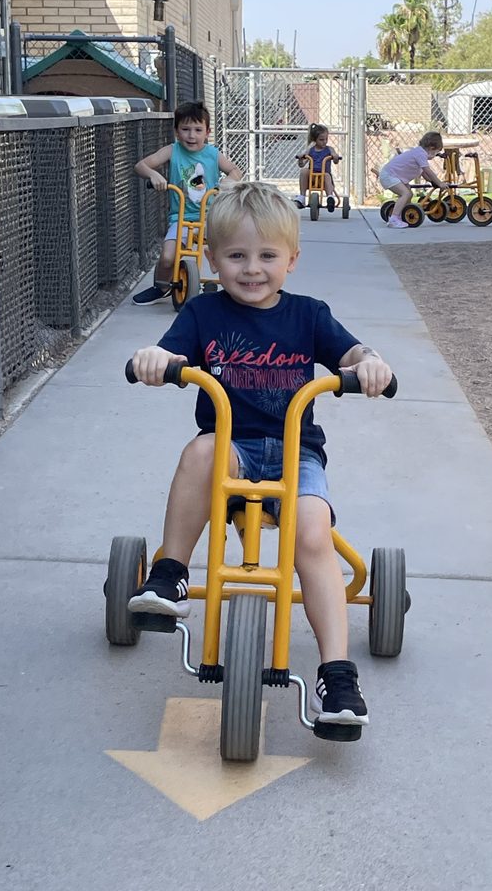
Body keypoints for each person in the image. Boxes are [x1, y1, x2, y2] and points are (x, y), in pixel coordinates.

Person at [127, 181, 394, 726]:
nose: (252, 269)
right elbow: (169, 352)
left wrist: (369, 362)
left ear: (291, 259)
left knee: (312, 535)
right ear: (212, 259)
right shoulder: (202, 314)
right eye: (237, 256)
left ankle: (337, 675)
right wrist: (154, 358)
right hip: (233, 451)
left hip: (297, 454)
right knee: (202, 450)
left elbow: (351, 351)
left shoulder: (308, 315)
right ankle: (171, 572)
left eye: (267, 256)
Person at [132, 100, 242, 305]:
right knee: (167, 257)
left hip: (211, 217)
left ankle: (237, 287)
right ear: (176, 131)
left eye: (198, 130)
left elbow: (235, 171)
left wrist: (228, 181)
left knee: (231, 251)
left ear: (207, 132)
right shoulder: (172, 151)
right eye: (185, 129)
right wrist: (154, 175)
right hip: (181, 217)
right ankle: (161, 287)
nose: (192, 135)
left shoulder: (213, 154)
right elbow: (141, 166)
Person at [378, 131, 449, 229]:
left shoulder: (418, 153)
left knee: (409, 194)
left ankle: (404, 213)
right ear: (431, 148)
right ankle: (394, 219)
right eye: (436, 152)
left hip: (393, 176)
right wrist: (440, 183)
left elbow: (425, 174)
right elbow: (427, 170)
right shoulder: (420, 154)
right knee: (405, 194)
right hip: (389, 176)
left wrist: (433, 182)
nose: (435, 155)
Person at [294, 123, 341, 212]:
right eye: (321, 139)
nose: (324, 141)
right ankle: (302, 197)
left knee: (326, 175)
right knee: (304, 171)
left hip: (324, 178)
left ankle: (330, 198)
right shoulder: (310, 150)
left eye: (326, 139)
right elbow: (302, 164)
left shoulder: (329, 149)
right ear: (315, 139)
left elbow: (336, 161)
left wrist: (335, 156)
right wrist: (300, 158)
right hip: (312, 177)